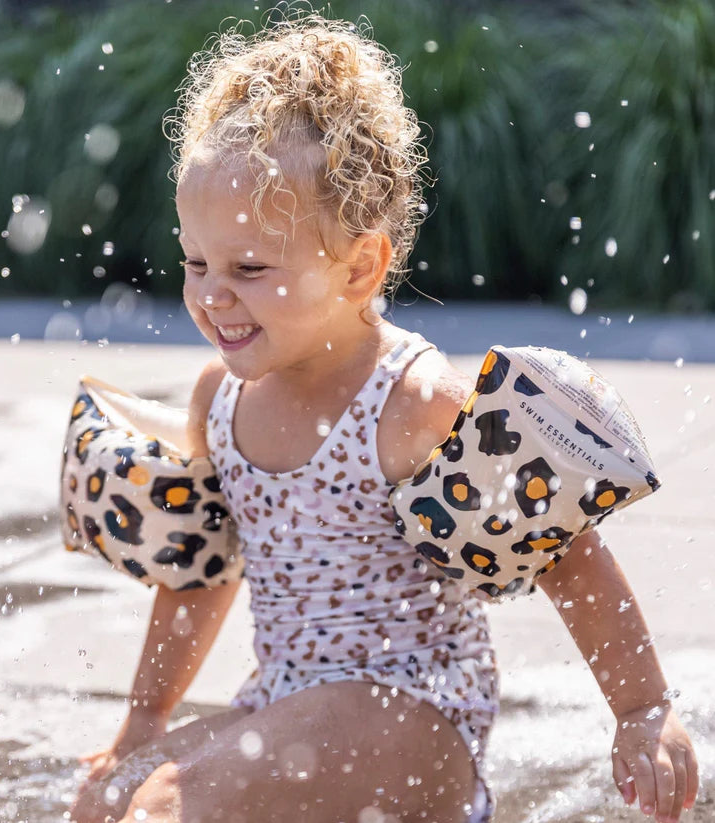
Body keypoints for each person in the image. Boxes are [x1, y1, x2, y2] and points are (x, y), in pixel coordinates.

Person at [68, 14, 698, 823]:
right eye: (196, 263)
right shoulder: (218, 400)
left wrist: (642, 709)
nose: (212, 294)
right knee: (108, 802)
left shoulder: (408, 401)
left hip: (413, 713)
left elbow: (562, 554)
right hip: (286, 701)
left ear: (360, 265)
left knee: (168, 809)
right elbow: (198, 573)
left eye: (250, 268)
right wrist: (143, 719)